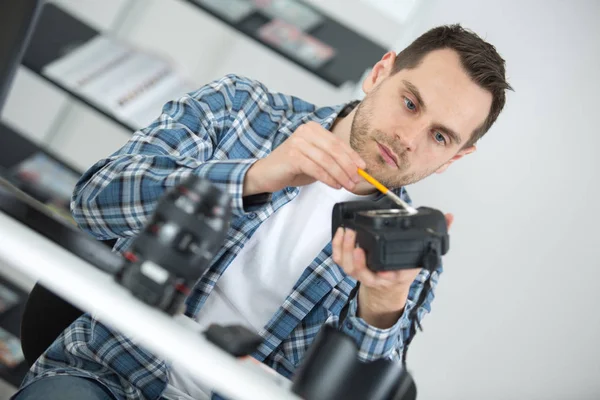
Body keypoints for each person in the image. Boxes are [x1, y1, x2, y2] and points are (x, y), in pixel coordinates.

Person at [12, 24, 512, 400]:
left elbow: (344, 393)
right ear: (379, 74)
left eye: (440, 137)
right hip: (106, 374)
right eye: (409, 103)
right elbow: (95, 200)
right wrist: (255, 176)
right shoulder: (238, 107)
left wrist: (380, 306)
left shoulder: (410, 252)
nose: (409, 138)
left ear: (455, 157)